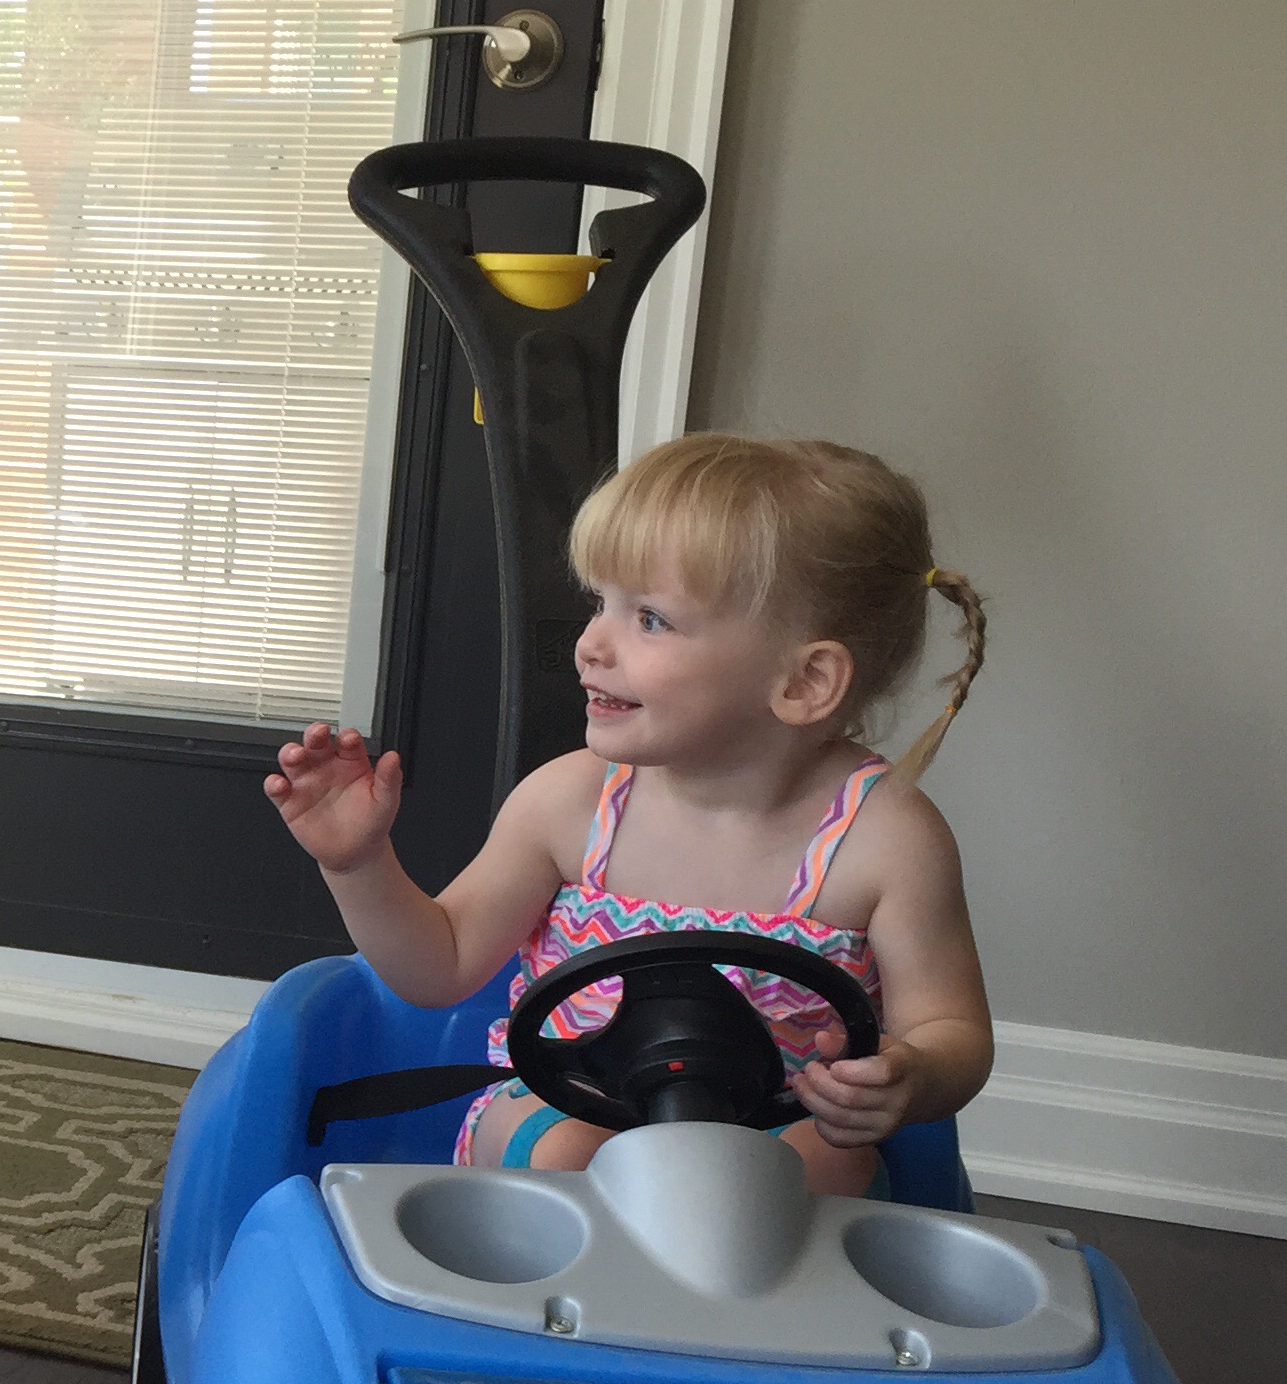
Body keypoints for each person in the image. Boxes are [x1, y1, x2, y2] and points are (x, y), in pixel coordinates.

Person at [268, 432, 993, 1193]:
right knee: (571, 1156)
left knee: (827, 1167)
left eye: (649, 618)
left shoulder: (887, 839)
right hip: (570, 1102)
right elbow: (440, 966)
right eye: (599, 604)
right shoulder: (568, 803)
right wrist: (357, 864)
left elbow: (950, 1029)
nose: (590, 644)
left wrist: (911, 1074)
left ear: (804, 680)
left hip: (775, 1126)